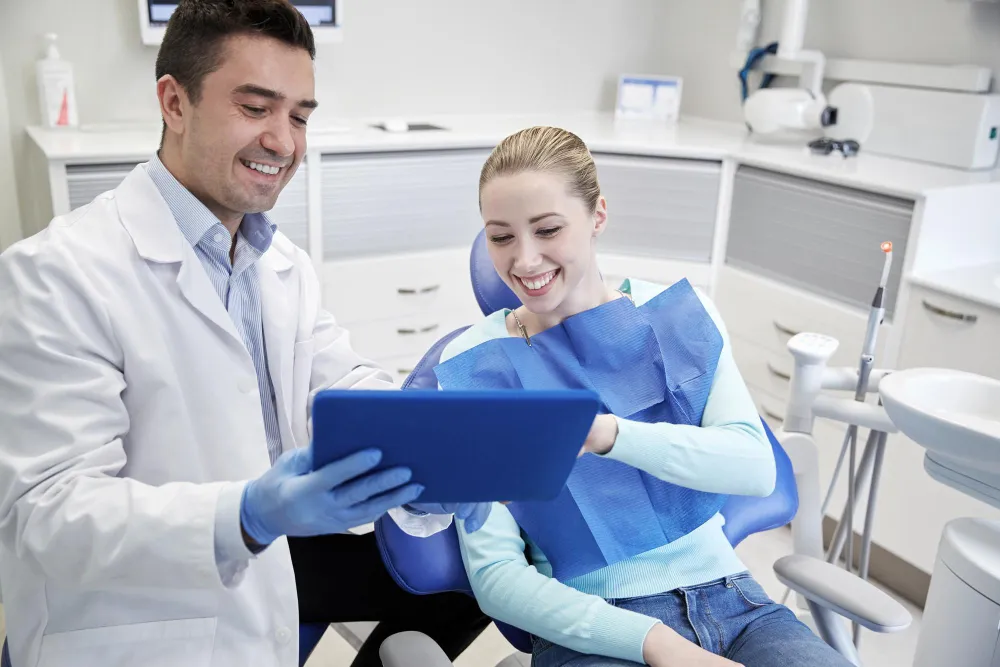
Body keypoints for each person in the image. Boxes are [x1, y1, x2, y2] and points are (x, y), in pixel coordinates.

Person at [0, 2, 489, 666]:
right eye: (255, 108)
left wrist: (433, 439)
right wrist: (246, 513)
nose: (284, 142)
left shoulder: (280, 264)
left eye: (300, 116)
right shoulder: (56, 274)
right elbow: (45, 517)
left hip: (264, 582)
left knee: (467, 581)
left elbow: (340, 382)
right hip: (135, 626)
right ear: (174, 102)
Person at [432, 126, 856, 667]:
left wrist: (606, 433)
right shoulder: (475, 365)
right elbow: (496, 578)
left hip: (736, 605)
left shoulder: (675, 314)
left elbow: (754, 469)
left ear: (598, 217)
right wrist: (658, 645)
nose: (525, 259)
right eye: (501, 237)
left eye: (547, 229)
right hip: (594, 627)